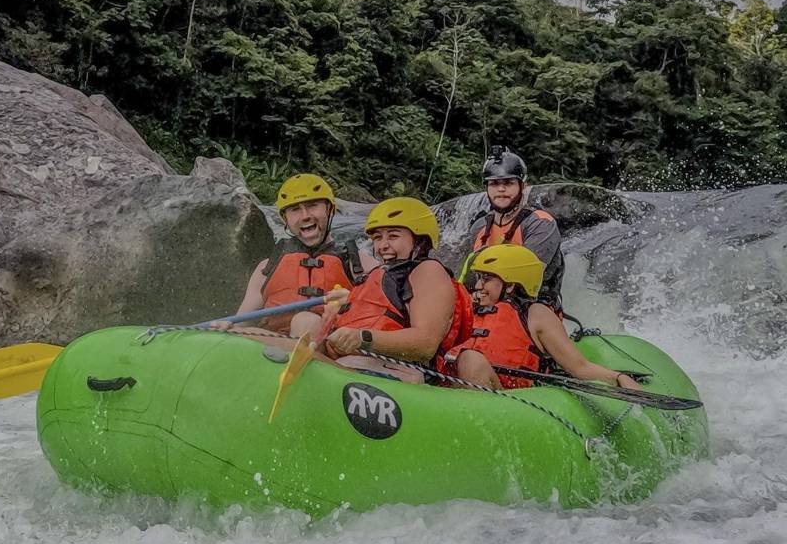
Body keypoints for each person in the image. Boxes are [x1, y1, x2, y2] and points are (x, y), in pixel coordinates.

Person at [446, 244, 641, 391]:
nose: (478, 286)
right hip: (451, 391)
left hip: (505, 400)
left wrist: (618, 378)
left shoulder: (536, 314)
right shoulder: (468, 309)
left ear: (511, 285)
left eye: (486, 279)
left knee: (471, 360)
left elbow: (580, 368)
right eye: (479, 278)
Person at [324, 197, 472, 382]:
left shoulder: (429, 271)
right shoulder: (377, 275)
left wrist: (362, 338)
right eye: (378, 238)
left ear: (419, 241)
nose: (383, 245)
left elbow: (426, 344)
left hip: (405, 373)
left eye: (393, 236)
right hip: (356, 363)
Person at [212, 173, 377, 337]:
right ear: (285, 219)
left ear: (330, 209)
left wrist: (356, 300)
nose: (305, 216)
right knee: (229, 332)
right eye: (295, 209)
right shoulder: (267, 268)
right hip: (274, 345)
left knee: (305, 321)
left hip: (327, 349)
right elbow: (242, 321)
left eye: (313, 205)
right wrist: (228, 325)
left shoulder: (360, 263)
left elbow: (386, 313)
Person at [462, 146, 565, 311]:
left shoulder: (541, 223)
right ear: (486, 188)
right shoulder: (479, 227)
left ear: (523, 185)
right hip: (484, 307)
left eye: (509, 183)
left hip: (531, 311)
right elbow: (469, 279)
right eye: (494, 183)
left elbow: (525, 280)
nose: (501, 189)